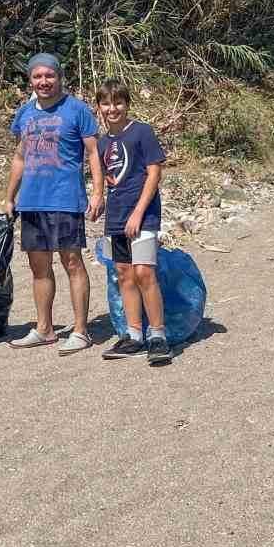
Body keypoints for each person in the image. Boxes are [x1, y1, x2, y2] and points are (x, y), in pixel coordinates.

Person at [5, 53, 103, 354]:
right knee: (39, 268)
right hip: (32, 201)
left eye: (49, 76)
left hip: (65, 199)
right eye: (37, 77)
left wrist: (98, 193)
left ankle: (81, 331)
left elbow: (93, 154)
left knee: (72, 262)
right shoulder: (24, 114)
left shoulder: (77, 110)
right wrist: (9, 197)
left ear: (60, 78)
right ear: (30, 80)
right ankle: (45, 329)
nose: (43, 82)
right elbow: (20, 157)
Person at [94, 79, 171, 365]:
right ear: (99, 107)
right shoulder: (102, 142)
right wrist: (98, 199)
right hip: (116, 217)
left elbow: (154, 174)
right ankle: (134, 334)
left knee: (144, 273)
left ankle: (158, 335)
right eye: (106, 103)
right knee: (124, 274)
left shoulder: (142, 132)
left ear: (127, 104)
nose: (112, 109)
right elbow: (106, 178)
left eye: (118, 102)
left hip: (144, 215)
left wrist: (139, 212)